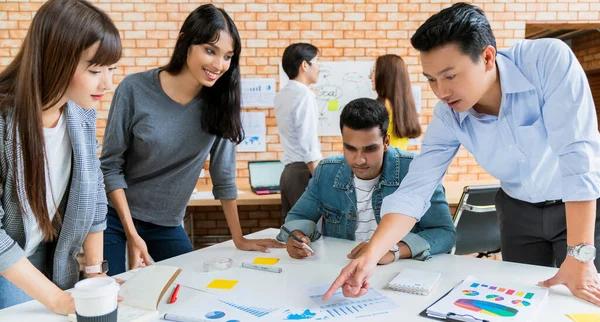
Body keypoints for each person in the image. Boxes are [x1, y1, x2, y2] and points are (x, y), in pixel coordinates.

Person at [325, 2, 600, 306]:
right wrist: (371, 257)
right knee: (525, 300)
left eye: (450, 75)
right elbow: (415, 190)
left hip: (583, 207)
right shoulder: (448, 115)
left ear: (487, 57)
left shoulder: (546, 60)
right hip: (518, 211)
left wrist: (580, 254)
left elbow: (578, 158)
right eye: (431, 79)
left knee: (582, 299)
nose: (441, 92)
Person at [101, 4, 283, 276]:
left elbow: (223, 175)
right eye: (210, 51)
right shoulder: (134, 89)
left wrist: (239, 238)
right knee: (114, 296)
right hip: (115, 217)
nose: (218, 65)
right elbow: (110, 165)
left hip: (167, 224)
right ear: (186, 41)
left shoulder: (220, 103)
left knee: (189, 287)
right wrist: (131, 233)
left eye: (227, 56)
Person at [0, 0, 121, 314]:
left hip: (43, 253)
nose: (107, 83)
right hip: (7, 262)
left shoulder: (80, 113)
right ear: (56, 61)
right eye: (95, 70)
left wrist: (96, 275)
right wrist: (55, 298)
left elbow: (94, 195)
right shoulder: (3, 118)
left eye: (112, 68)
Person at [276, 98, 456, 263]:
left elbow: (444, 233)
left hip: (401, 272)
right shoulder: (326, 171)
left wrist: (393, 251)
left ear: (386, 142)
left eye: (369, 149)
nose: (359, 160)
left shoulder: (417, 171)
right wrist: (296, 237)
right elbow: (297, 217)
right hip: (342, 267)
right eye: (350, 148)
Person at [274, 43, 322, 219]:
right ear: (304, 65)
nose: (319, 68)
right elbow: (307, 141)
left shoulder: (282, 94)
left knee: (294, 232)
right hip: (304, 172)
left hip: (288, 173)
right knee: (310, 233)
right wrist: (320, 180)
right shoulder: (304, 95)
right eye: (316, 62)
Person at [369, 55, 422, 150]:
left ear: (386, 75)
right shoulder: (405, 106)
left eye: (374, 70)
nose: (370, 76)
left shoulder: (381, 107)